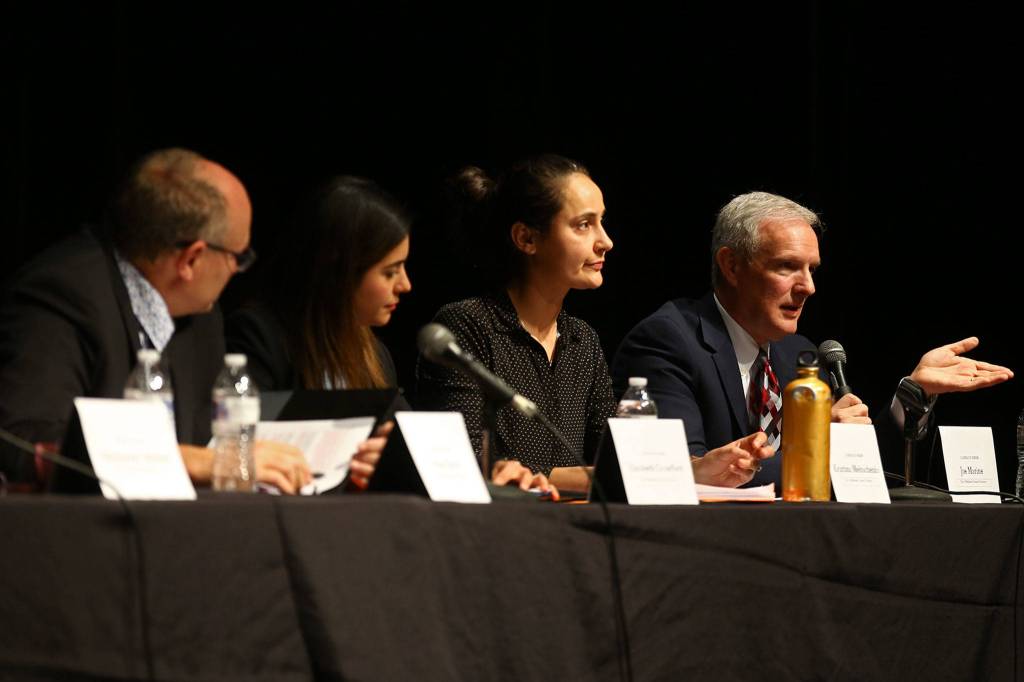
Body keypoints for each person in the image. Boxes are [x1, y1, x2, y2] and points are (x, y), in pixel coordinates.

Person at [417, 155, 774, 494]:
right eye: (584, 225)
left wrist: (697, 469)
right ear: (527, 238)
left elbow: (616, 462)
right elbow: (462, 463)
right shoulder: (467, 327)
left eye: (601, 222)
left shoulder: (581, 341)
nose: (605, 241)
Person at [612, 191, 1014, 488]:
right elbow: (676, 475)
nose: (808, 287)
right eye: (787, 267)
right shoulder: (668, 340)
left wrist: (913, 393)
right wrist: (817, 442)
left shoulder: (798, 352)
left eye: (812, 269)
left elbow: (863, 472)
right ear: (731, 265)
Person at [0, 148, 310, 493]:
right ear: (191, 259)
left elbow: (206, 440)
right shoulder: (61, 296)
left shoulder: (201, 317)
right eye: (238, 257)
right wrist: (194, 460)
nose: (237, 271)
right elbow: (22, 443)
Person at [226, 176, 413, 488]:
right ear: (339, 273)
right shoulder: (260, 337)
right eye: (390, 272)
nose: (405, 285)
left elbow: (409, 443)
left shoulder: (377, 357)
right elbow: (241, 450)